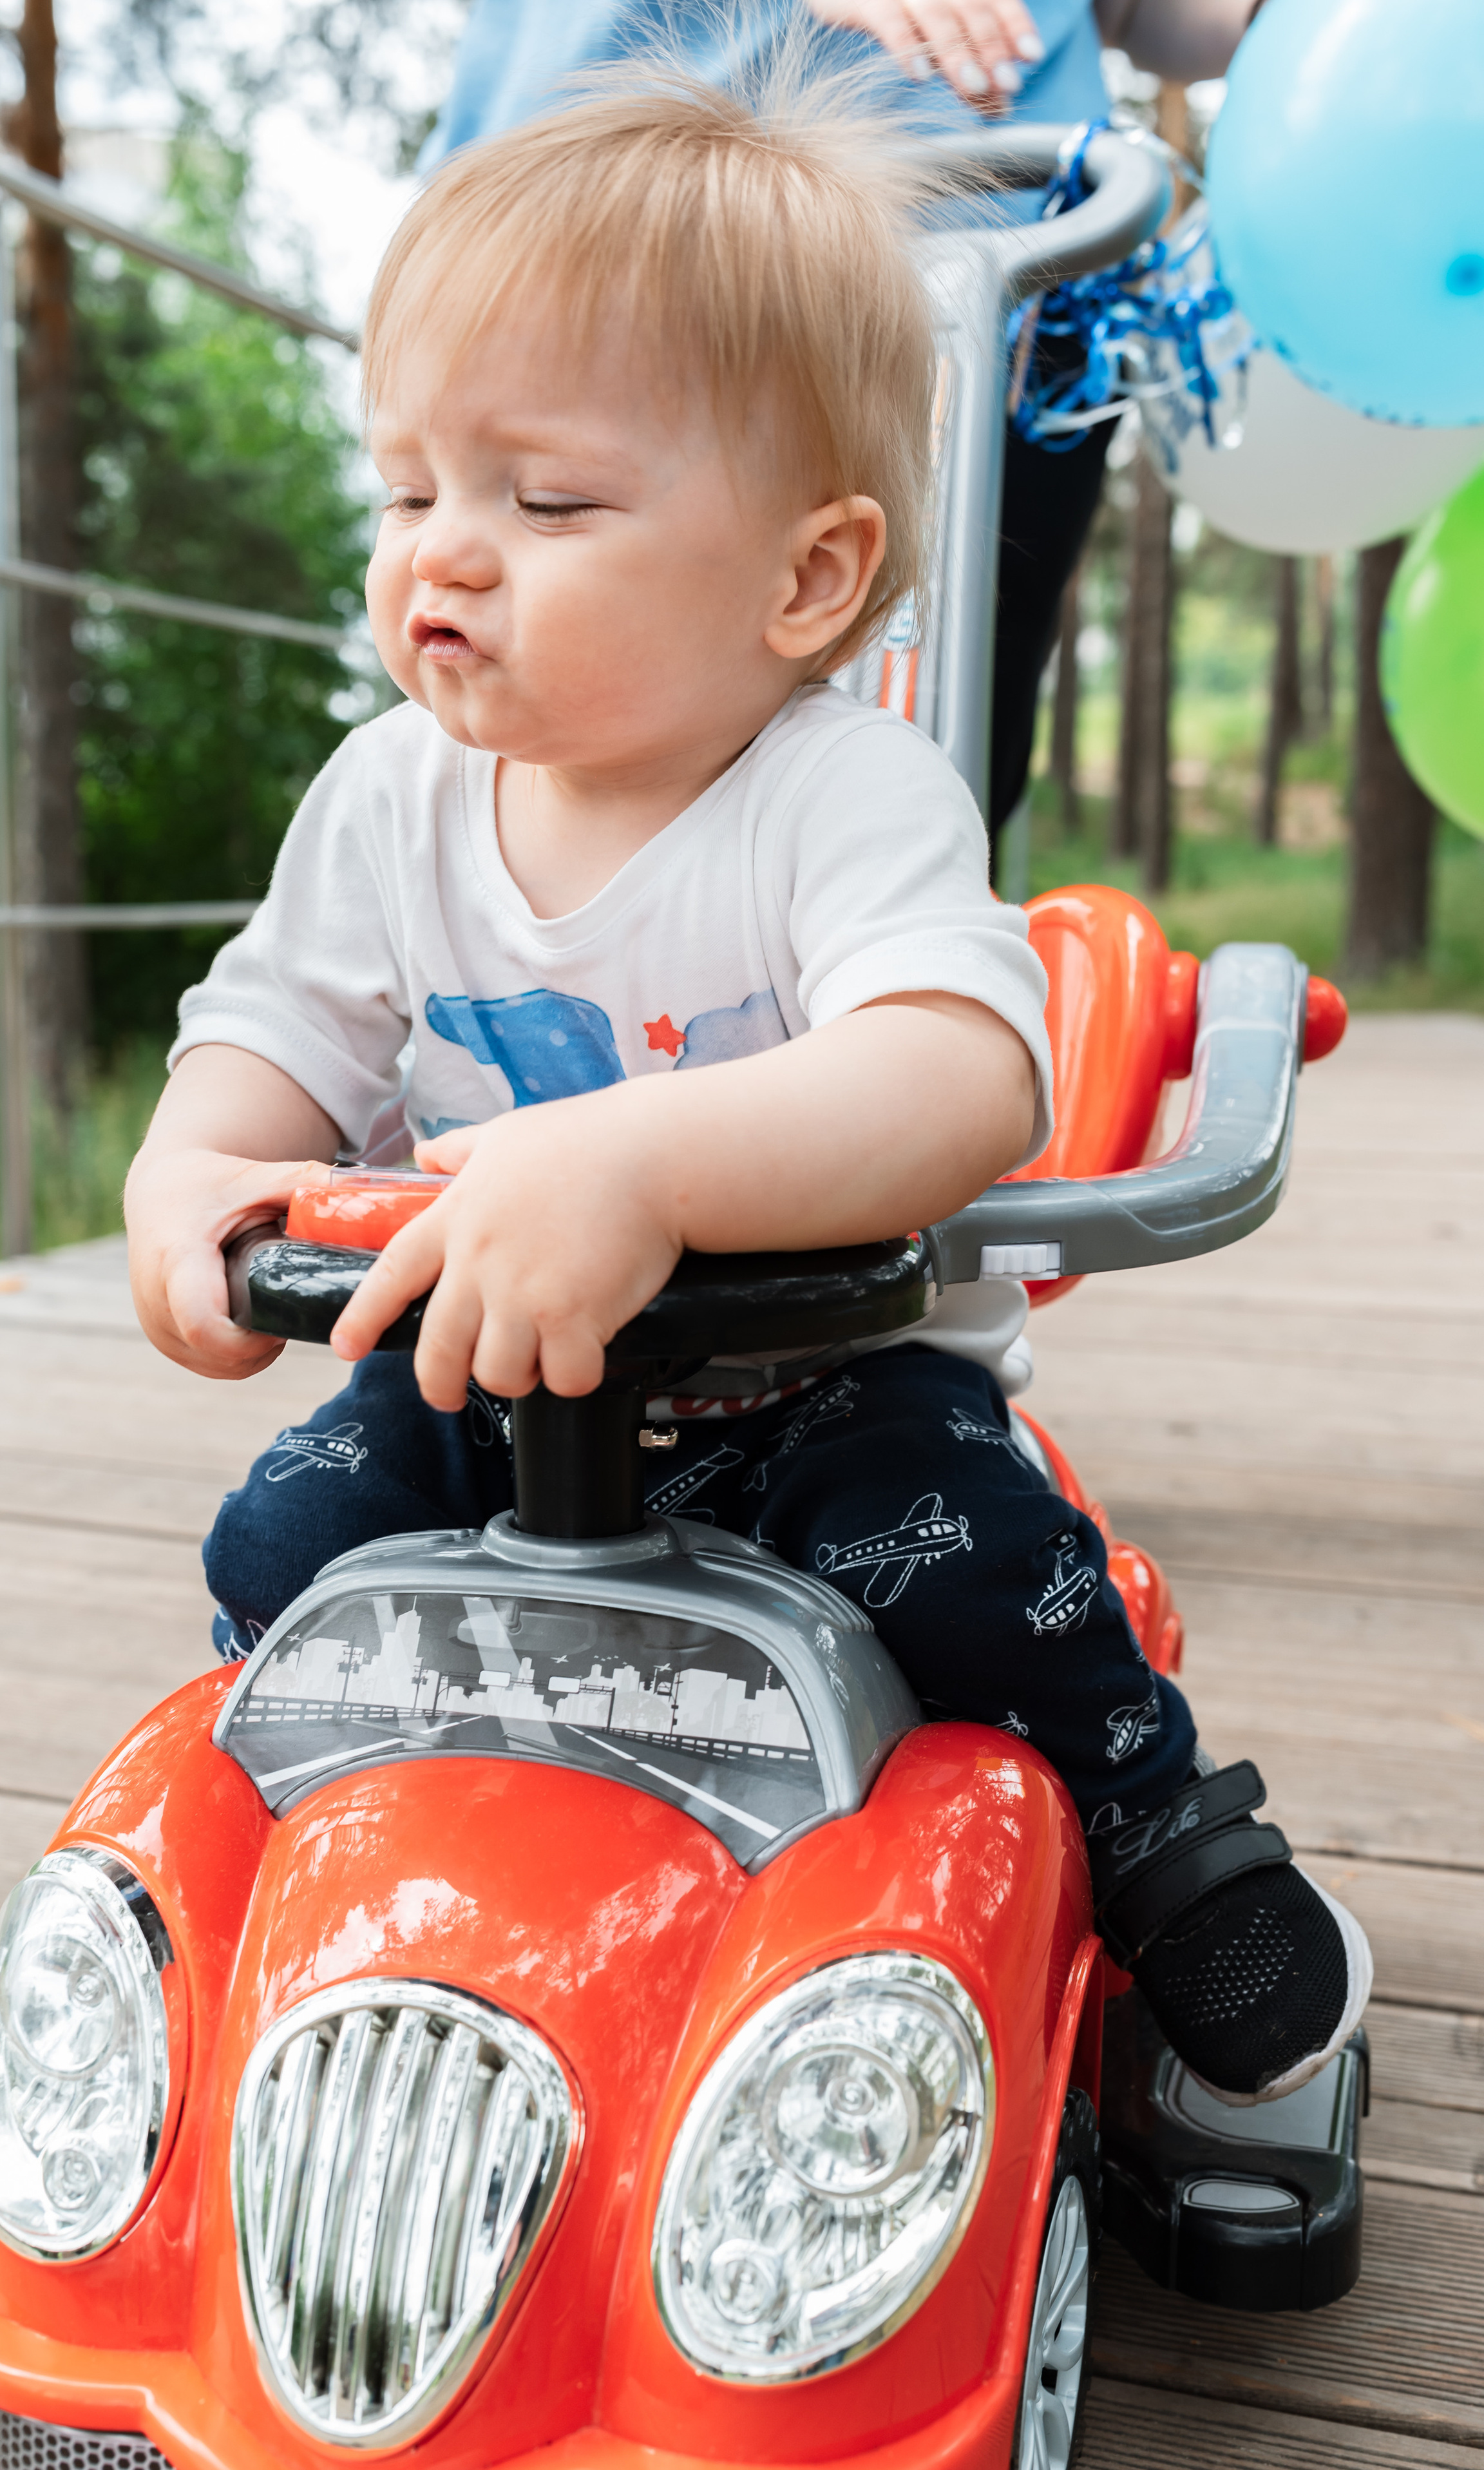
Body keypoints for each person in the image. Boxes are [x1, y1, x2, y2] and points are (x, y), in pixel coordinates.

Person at [124, 68, 1369, 2105]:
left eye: (544, 502)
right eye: (407, 488)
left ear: (804, 580)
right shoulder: (385, 801)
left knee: (987, 1573)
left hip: (827, 1383)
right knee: (282, 1548)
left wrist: (639, 1161)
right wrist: (193, 1179)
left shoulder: (842, 799)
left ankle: (1161, 1829)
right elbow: (272, 1039)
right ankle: (301, 1882)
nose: (446, 554)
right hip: (490, 1371)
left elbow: (960, 1075)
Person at [419, 0, 1264, 847]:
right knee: (515, 790)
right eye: (403, 502)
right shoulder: (387, 800)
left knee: (914, 809)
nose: (422, 541)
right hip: (587, 264)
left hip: (1007, 303)